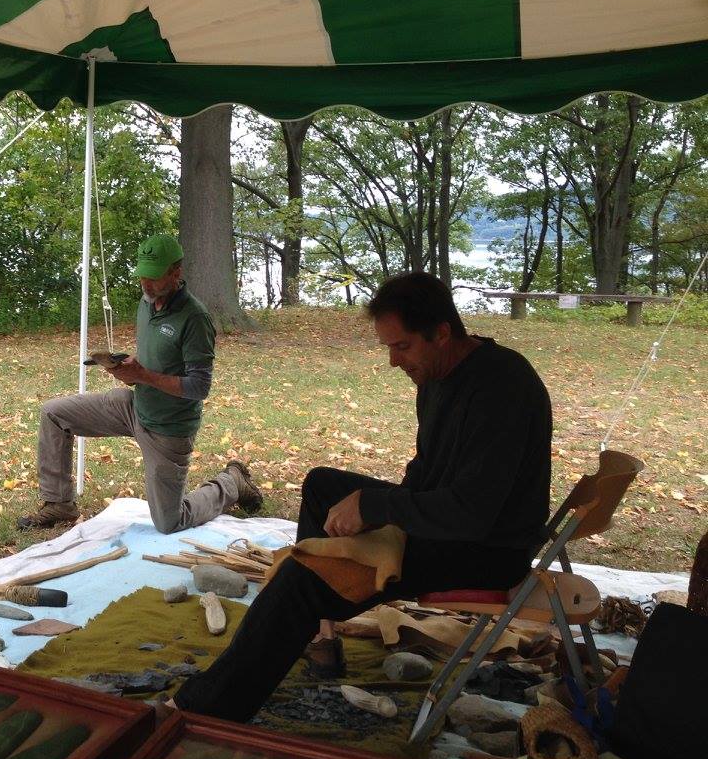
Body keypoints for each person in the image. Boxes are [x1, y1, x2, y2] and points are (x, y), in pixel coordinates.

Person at [172, 271, 552, 721]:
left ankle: (204, 710)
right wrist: (378, 511)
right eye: (389, 347)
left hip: (486, 549)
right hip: (453, 522)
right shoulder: (438, 373)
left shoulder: (501, 389)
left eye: (402, 346)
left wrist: (378, 509)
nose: (394, 361)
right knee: (322, 486)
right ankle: (322, 635)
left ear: (443, 333)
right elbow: (427, 467)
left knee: (302, 578)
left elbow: (472, 515)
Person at [18, 234, 262, 535]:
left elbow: (199, 387)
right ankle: (59, 504)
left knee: (170, 522)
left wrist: (144, 375)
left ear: (176, 273)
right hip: (134, 407)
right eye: (143, 275)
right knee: (54, 414)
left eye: (155, 277)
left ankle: (231, 482)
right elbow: (155, 356)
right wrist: (125, 367)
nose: (147, 284)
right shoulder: (147, 304)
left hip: (168, 428)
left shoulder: (195, 318)